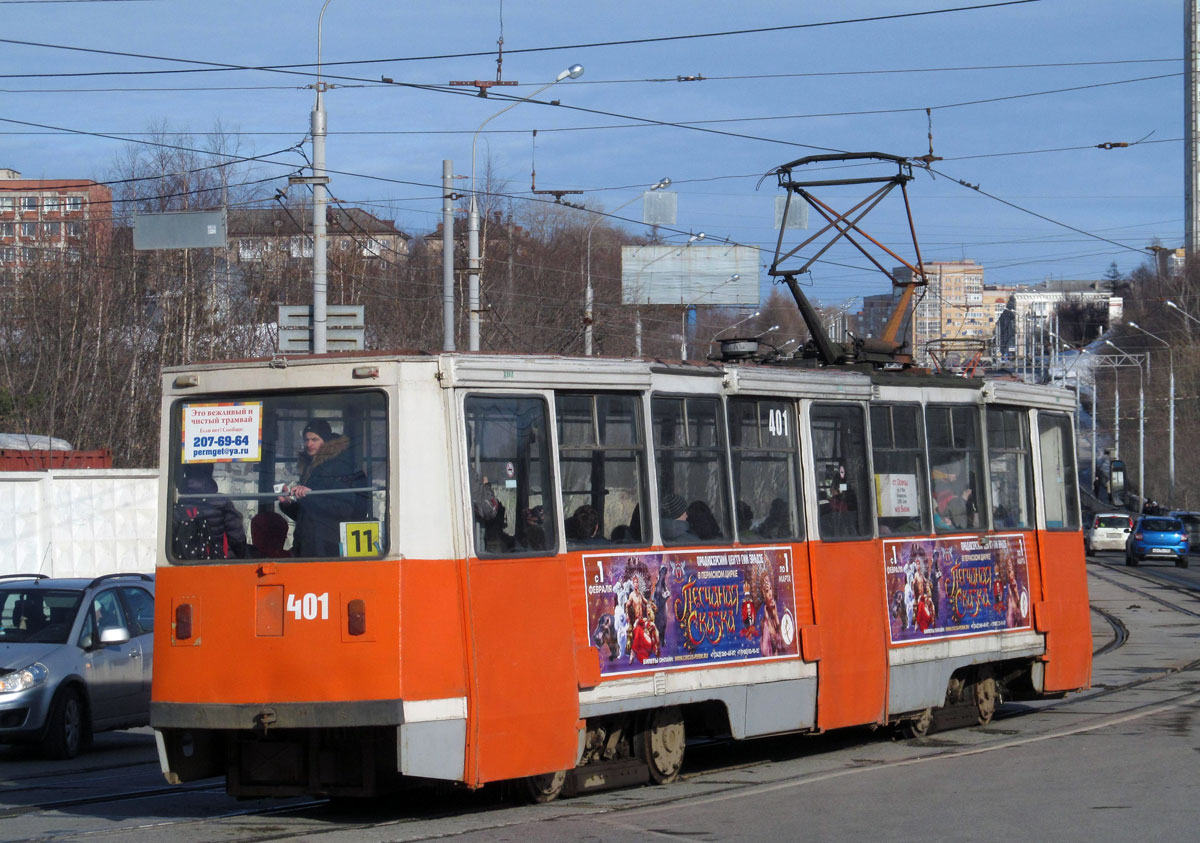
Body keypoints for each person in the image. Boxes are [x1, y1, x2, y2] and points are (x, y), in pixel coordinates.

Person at [279, 418, 369, 557]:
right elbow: (308, 514)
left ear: (325, 441)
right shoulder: (311, 467)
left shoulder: (338, 466)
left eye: (315, 439)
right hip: (308, 544)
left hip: (328, 546)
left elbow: (344, 508)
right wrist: (287, 504)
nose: (309, 444)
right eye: (306, 439)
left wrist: (311, 496)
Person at [174, 462, 247, 560]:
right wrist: (241, 555)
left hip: (184, 561)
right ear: (209, 471)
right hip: (218, 561)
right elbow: (237, 537)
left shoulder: (178, 501)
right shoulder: (222, 502)